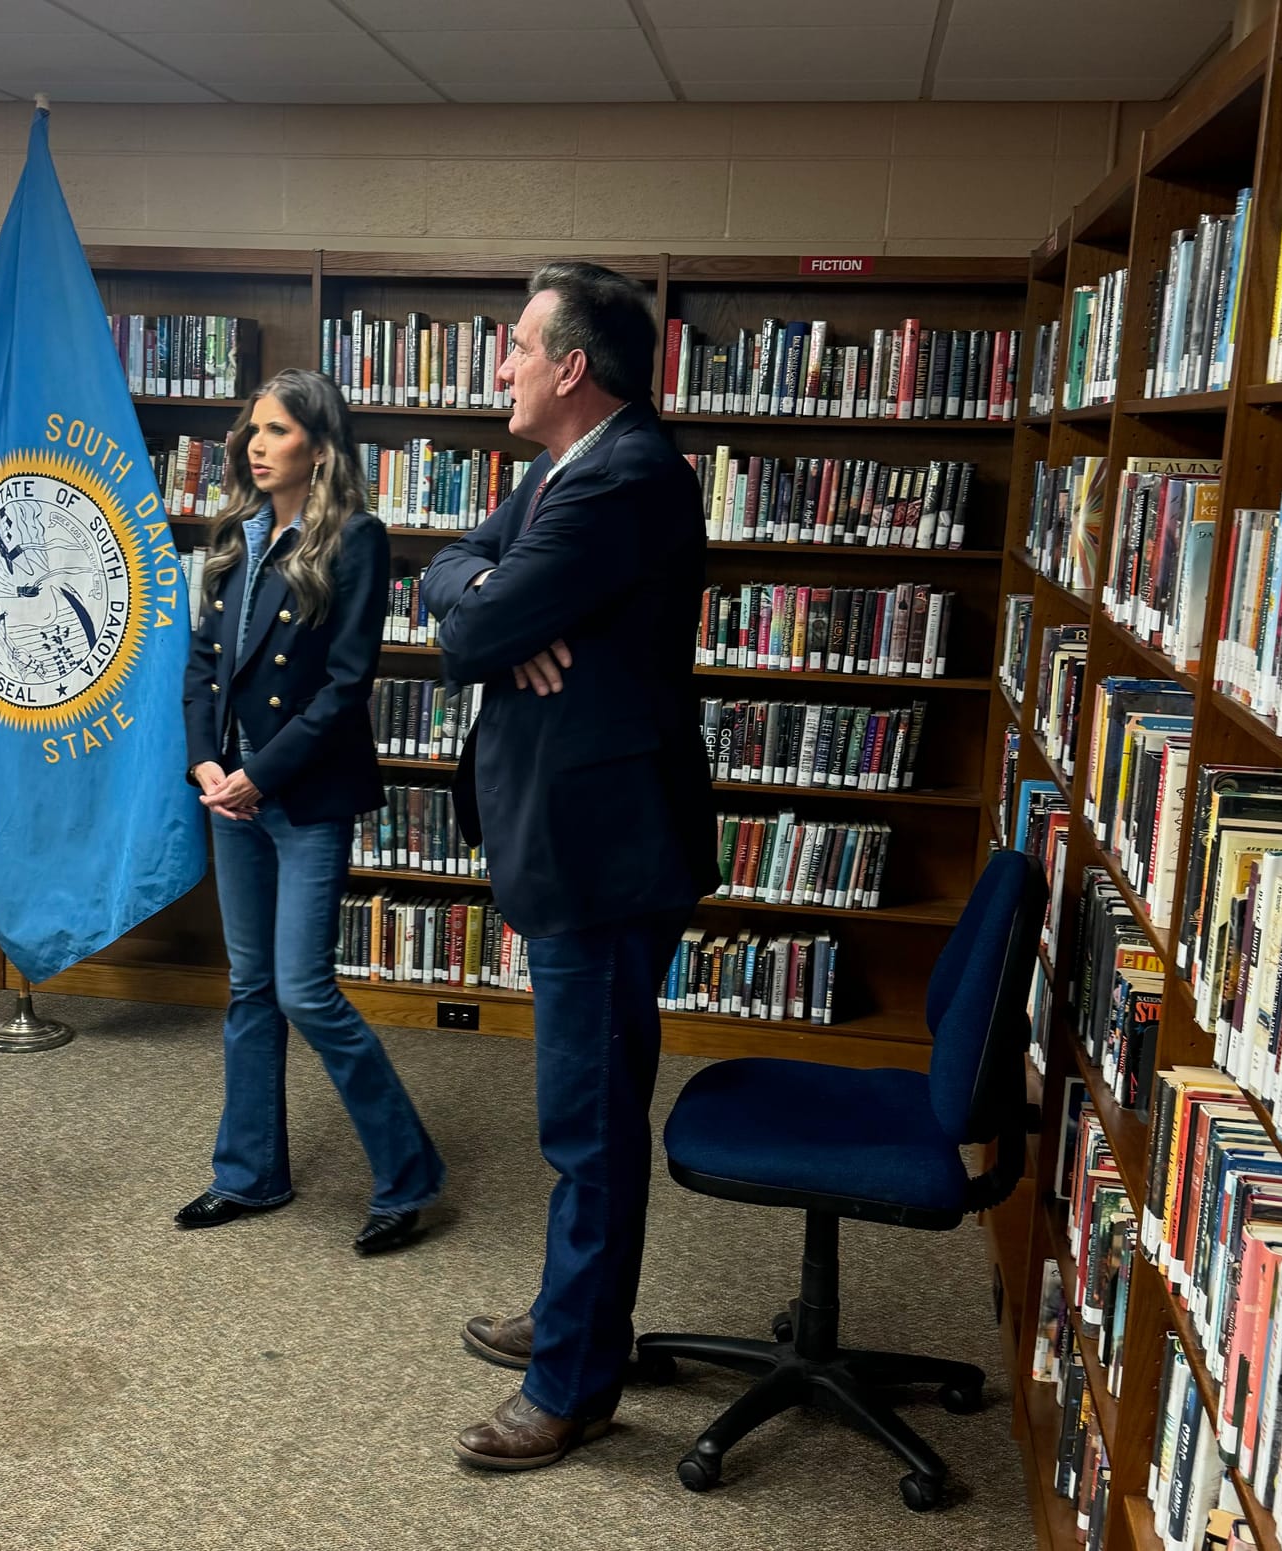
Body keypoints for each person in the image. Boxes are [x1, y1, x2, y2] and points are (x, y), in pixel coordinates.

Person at [423, 262, 719, 1471]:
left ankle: (574, 1383)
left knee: (586, 1127)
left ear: (570, 368)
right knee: (578, 1114)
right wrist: (492, 597)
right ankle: (570, 1316)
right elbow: (446, 571)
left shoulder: (629, 476)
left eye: (514, 348)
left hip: (605, 855)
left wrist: (495, 617)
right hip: (570, 835)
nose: (496, 368)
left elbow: (467, 633)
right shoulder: (562, 470)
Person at [179, 367, 444, 1257]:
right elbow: (201, 664)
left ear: (320, 447)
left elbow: (344, 687)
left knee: (304, 989)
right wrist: (207, 761)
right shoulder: (233, 535)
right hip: (232, 796)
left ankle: (408, 1175)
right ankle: (248, 1172)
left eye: (278, 431)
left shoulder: (356, 539)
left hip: (303, 795)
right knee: (250, 988)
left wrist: (261, 773)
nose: (257, 445)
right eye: (252, 430)